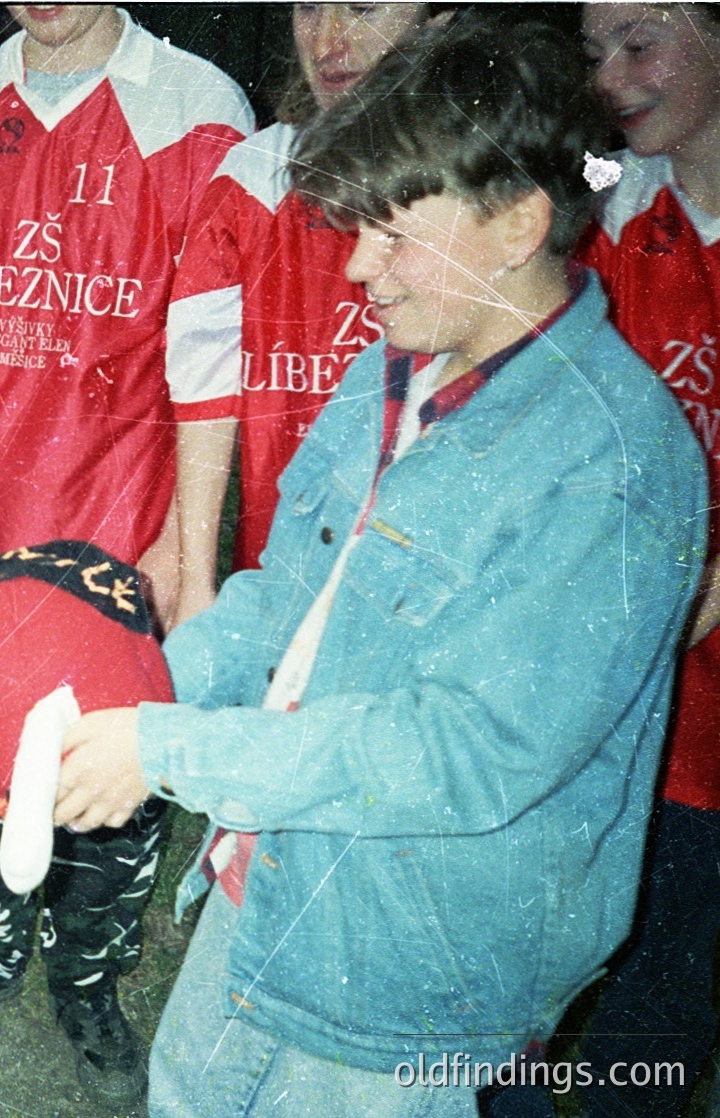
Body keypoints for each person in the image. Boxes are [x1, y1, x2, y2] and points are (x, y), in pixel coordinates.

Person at [50, 15, 703, 1117]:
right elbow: (281, 600)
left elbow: (466, 749)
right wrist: (129, 687)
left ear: (517, 223)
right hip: (264, 898)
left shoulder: (615, 465)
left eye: (392, 234)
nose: (356, 266)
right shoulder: (385, 374)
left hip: (412, 989)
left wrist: (169, 747)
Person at [0, 5, 252, 1106]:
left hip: (110, 540)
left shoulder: (198, 112)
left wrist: (187, 551)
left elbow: (207, 355)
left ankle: (88, 978)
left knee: (107, 800)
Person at [166, 3, 434, 627]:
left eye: (364, 7)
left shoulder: (488, 182)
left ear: (439, 18)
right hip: (276, 582)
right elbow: (204, 394)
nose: (329, 40)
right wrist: (196, 580)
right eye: (310, 6)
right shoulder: (253, 177)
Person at [570, 6, 720, 1116]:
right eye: (595, 53)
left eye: (641, 42)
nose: (613, 79)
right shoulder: (618, 214)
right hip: (612, 690)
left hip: (702, 713)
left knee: (655, 1024)